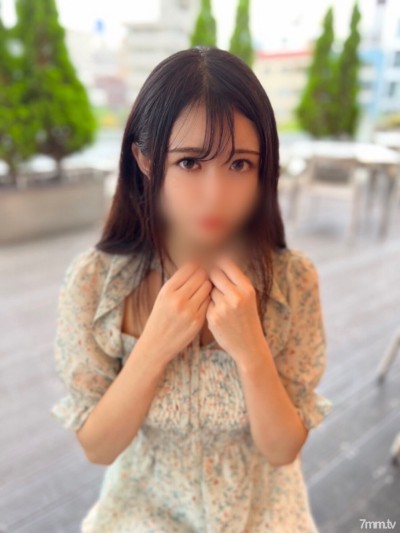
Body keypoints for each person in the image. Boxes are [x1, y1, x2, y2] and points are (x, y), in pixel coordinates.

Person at [50, 46, 333, 532]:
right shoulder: (95, 284)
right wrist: (155, 345)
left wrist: (251, 349)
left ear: (264, 168)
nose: (215, 195)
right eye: (189, 162)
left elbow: (282, 449)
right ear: (144, 159)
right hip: (144, 505)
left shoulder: (293, 281)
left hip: (262, 506)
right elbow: (98, 448)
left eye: (240, 164)